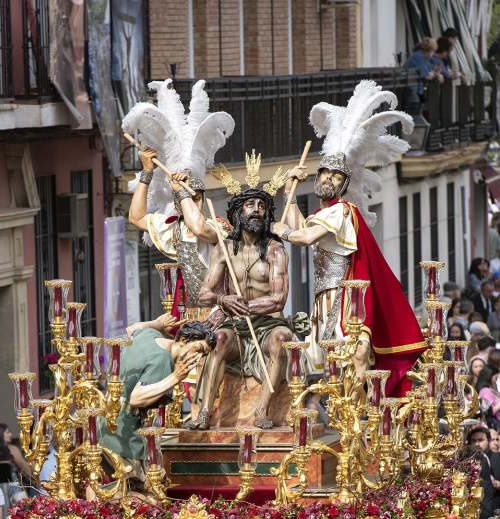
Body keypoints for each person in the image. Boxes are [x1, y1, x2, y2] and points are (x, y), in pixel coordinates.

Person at [272, 85, 426, 394]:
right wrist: (289, 192)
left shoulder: (341, 212)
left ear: (344, 184)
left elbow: (305, 235)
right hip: (324, 297)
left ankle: (361, 415)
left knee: (352, 356)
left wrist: (283, 232)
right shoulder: (324, 213)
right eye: (324, 173)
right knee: (334, 367)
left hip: (344, 299)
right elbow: (303, 224)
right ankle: (350, 414)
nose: (328, 178)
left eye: (336, 176)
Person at [192, 188, 308, 431]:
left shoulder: (275, 250)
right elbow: (203, 295)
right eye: (250, 205)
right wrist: (223, 300)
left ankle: (262, 410)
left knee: (281, 338)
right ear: (238, 212)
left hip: (267, 324)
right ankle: (204, 413)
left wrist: (241, 305)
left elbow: (278, 300)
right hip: (236, 326)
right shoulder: (224, 249)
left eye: (262, 206)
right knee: (220, 338)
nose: (257, 210)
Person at [124, 78, 234, 316]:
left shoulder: (219, 226)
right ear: (176, 201)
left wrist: (182, 190)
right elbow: (136, 218)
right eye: (186, 197)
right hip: (186, 315)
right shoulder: (174, 230)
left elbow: (199, 229)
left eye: (195, 197)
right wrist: (146, 173)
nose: (192, 202)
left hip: (220, 316)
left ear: (203, 198)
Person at [98, 320, 216, 490]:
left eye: (203, 355)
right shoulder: (163, 360)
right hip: (123, 436)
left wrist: (158, 324)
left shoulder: (151, 335)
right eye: (197, 350)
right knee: (147, 496)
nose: (198, 359)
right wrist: (175, 377)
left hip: (105, 425)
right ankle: (97, 498)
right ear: (183, 339)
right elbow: (136, 398)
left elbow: (132, 329)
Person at [467, 424, 500, 519]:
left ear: (489, 441)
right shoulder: (467, 460)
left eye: (481, 440)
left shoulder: (498, 457)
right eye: (474, 441)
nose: (477, 444)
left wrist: (497, 483)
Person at [477, 364, 500, 429]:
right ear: (490, 376)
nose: (496, 380)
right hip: (492, 424)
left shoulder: (491, 390)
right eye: (495, 377)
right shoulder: (486, 391)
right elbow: (488, 411)